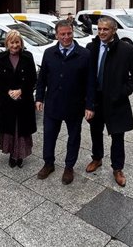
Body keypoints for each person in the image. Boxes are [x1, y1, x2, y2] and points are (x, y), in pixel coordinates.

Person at [84, 17, 133, 187]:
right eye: (99, 29)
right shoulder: (91, 47)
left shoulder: (127, 50)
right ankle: (97, 158)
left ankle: (117, 168)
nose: (102, 32)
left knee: (118, 136)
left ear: (114, 30)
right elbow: (87, 75)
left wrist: (123, 92)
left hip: (116, 101)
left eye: (106, 29)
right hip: (96, 100)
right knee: (95, 131)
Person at [35, 19, 90, 185]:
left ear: (73, 32)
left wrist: (90, 105)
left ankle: (69, 167)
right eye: (62, 34)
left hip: (75, 105)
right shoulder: (49, 53)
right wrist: (39, 98)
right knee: (49, 136)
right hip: (53, 103)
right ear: (56, 35)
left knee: (74, 137)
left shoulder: (84, 54)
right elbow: (42, 78)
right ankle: (48, 163)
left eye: (69, 33)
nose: (66, 37)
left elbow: (90, 83)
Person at [0, 30, 37, 168]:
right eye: (12, 42)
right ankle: (12, 154)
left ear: (21, 43)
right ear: (7, 43)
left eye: (17, 42)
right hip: (7, 102)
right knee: (10, 129)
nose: (14, 45)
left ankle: (20, 156)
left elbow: (33, 79)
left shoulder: (28, 57)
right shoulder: (1, 57)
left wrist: (21, 91)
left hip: (24, 102)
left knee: (21, 129)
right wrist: (8, 91)